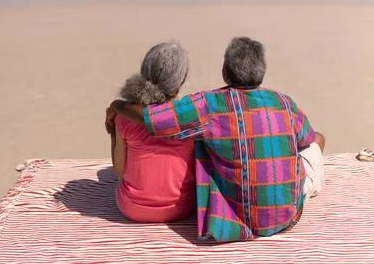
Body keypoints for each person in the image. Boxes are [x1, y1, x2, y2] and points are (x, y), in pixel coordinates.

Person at [106, 37, 325, 242]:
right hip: (286, 218)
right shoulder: (284, 103)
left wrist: (117, 106)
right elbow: (306, 140)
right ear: (262, 71)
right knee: (317, 141)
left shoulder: (207, 105)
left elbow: (150, 117)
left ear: (225, 72)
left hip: (237, 219)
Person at [108, 42, 196, 223]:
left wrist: (112, 131)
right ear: (182, 79)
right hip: (182, 208)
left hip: (132, 209)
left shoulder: (125, 117)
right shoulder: (191, 117)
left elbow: (119, 171)